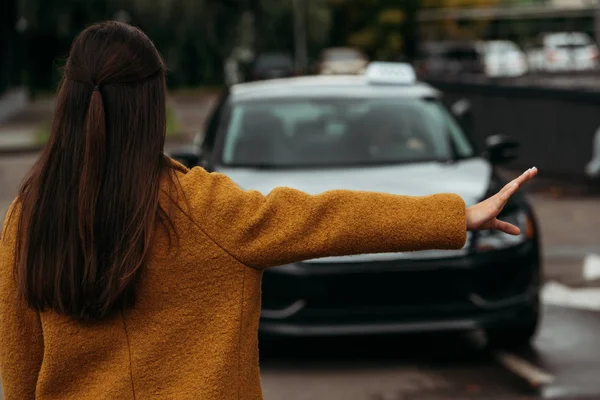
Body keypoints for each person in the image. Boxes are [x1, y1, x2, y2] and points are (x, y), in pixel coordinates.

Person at [0, 21, 537, 400]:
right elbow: (328, 217)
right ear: (153, 105)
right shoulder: (206, 208)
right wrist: (455, 216)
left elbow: (19, 371)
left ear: (68, 99)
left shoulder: (30, 217)